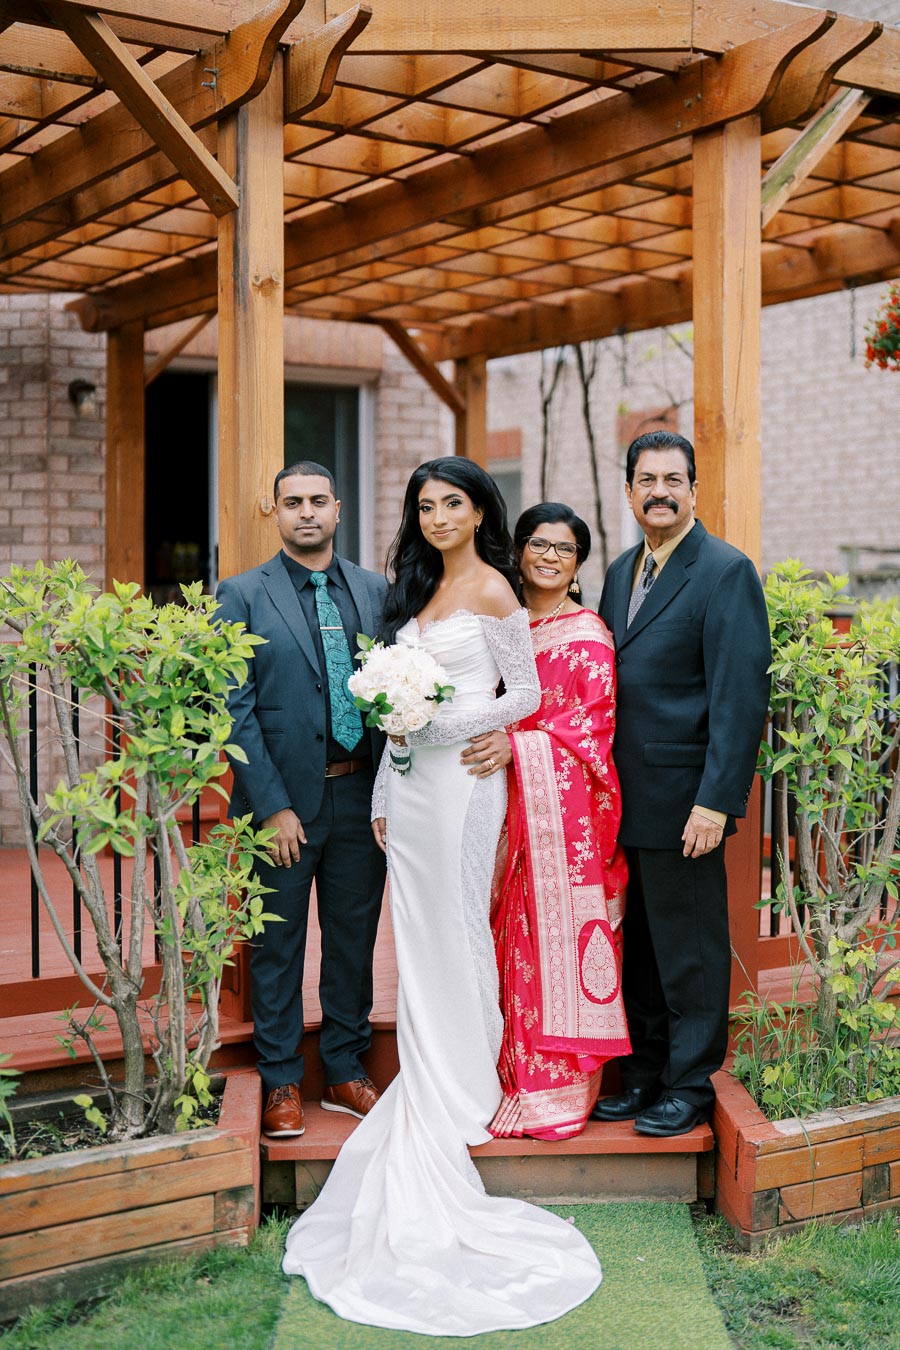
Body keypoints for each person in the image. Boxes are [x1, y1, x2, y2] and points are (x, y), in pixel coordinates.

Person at [283, 459, 602, 1336]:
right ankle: (431, 1069)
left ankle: (461, 1086)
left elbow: (523, 696)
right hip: (411, 789)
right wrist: (386, 787)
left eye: (451, 503)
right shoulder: (411, 589)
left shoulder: (498, 589)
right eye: (424, 506)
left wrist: (438, 720)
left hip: (465, 784)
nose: (436, 518)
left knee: (459, 928)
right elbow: (392, 714)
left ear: (478, 510)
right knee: (413, 933)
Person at [592, 430, 771, 1138]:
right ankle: (642, 1075)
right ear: (630, 489)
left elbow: (739, 698)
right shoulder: (617, 572)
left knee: (689, 948)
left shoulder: (725, 572)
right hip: (620, 802)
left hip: (684, 802)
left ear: (694, 489)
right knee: (635, 946)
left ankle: (691, 1084)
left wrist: (715, 801)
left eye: (673, 479)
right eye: (646, 479)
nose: (659, 491)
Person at [215, 461, 387, 1138]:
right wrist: (273, 805)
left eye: (319, 501)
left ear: (338, 509)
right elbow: (234, 708)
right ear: (275, 512)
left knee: (353, 943)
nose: (307, 512)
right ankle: (282, 1080)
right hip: (282, 808)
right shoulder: (242, 594)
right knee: (278, 947)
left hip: (360, 796)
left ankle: (345, 1069)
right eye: (294, 502)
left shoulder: (376, 593)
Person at [460, 503, 630, 1141]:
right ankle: (495, 1076)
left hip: (563, 826)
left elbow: (591, 734)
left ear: (579, 563)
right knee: (492, 940)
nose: (550, 556)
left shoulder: (588, 635)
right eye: (539, 544)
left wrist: (520, 749)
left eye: (564, 548)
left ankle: (555, 1090)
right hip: (492, 809)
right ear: (520, 551)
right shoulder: (497, 623)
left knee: (550, 941)